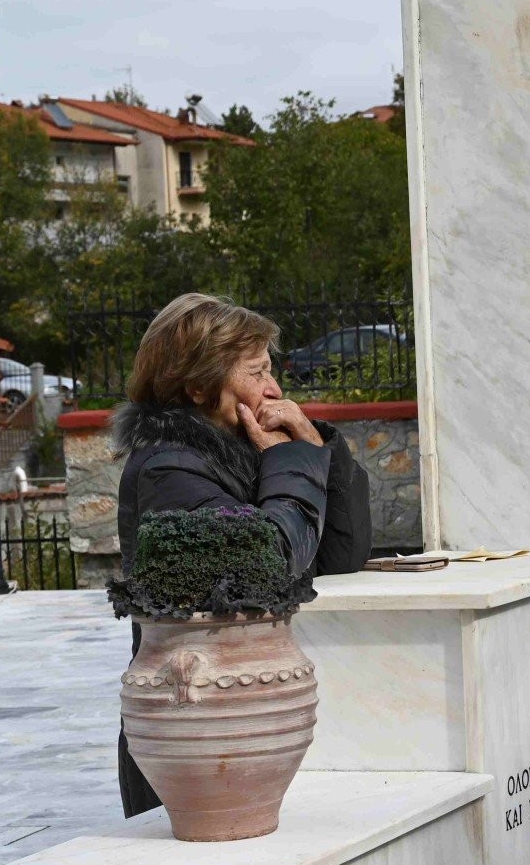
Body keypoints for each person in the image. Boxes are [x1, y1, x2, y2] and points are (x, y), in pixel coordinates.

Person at [112, 293, 373, 817]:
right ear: (199, 386)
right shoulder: (172, 472)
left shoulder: (242, 454)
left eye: (271, 370)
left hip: (246, 728)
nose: (274, 390)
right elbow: (270, 562)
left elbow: (343, 553)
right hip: (198, 740)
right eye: (256, 373)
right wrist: (291, 462)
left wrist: (317, 447)